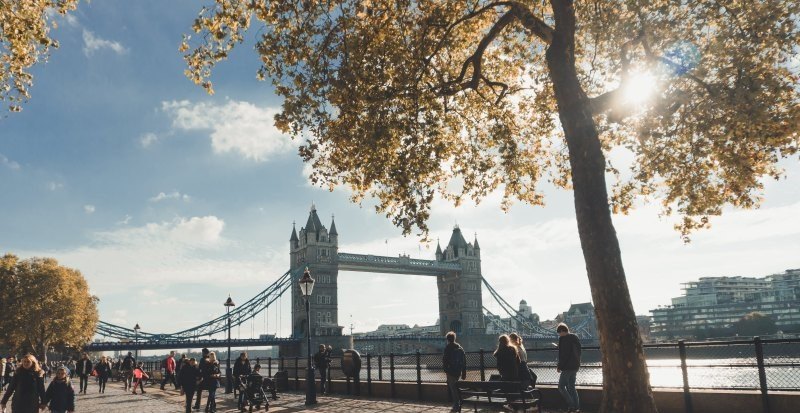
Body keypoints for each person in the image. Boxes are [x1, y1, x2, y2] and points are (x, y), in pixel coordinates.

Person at [557, 323, 582, 413]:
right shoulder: (574, 337)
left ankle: (571, 405)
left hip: (567, 367)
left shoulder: (564, 339)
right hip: (575, 365)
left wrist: (559, 366)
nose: (559, 335)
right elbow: (578, 351)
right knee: (571, 387)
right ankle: (577, 407)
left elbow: (564, 355)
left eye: (559, 333)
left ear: (563, 331)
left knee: (561, 386)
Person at [442, 331, 467, 413]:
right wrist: (463, 373)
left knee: (453, 389)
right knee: (456, 388)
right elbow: (464, 361)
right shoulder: (460, 348)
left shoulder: (448, 348)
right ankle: (458, 404)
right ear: (454, 338)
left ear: (447, 339)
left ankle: (456, 405)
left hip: (451, 372)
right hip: (458, 371)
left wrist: (446, 370)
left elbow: (445, 360)